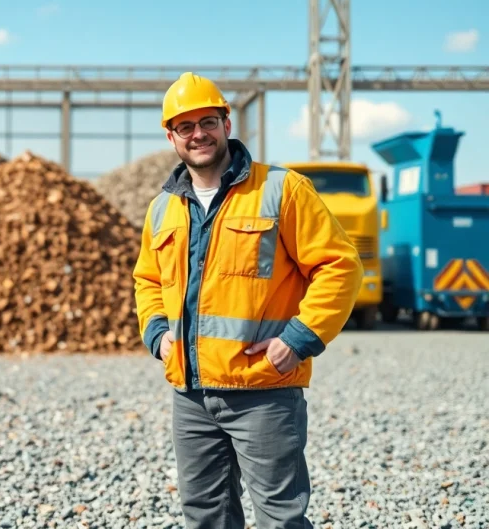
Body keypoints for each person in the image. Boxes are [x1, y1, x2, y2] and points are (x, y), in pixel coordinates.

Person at [132, 72, 363, 528]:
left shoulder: (281, 190)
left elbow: (340, 266)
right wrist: (157, 334)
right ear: (171, 137)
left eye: (207, 121)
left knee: (280, 517)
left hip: (264, 390)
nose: (198, 134)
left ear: (226, 124)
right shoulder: (163, 208)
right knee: (205, 515)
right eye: (185, 126)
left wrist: (297, 340)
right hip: (191, 395)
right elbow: (148, 279)